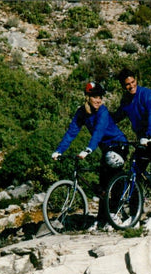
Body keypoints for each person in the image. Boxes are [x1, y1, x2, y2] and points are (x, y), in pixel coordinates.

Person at [52, 81, 128, 228]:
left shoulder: (103, 111)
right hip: (106, 149)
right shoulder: (82, 112)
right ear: (87, 97)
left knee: (114, 178)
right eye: (95, 97)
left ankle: (115, 214)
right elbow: (71, 132)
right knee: (103, 185)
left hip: (119, 145)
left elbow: (99, 132)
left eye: (100, 97)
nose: (98, 100)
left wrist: (89, 149)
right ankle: (101, 218)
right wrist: (59, 150)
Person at [112, 67, 151, 232]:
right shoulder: (126, 101)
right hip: (143, 139)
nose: (131, 86)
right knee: (134, 174)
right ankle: (135, 216)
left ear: (136, 80)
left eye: (133, 82)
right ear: (123, 86)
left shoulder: (148, 94)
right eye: (127, 85)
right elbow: (117, 116)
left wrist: (150, 135)